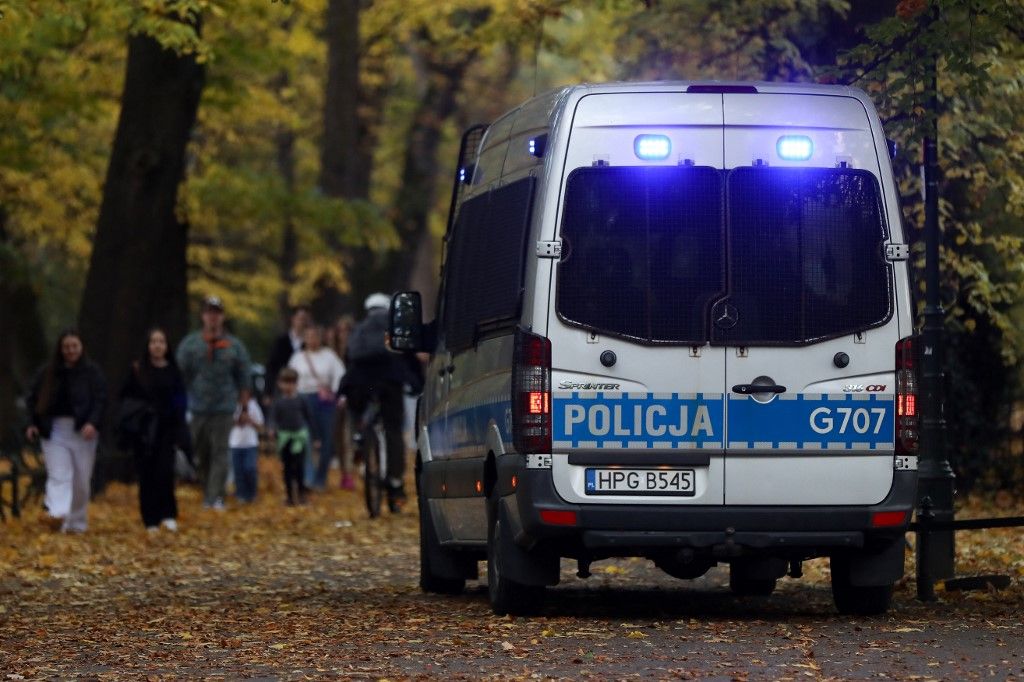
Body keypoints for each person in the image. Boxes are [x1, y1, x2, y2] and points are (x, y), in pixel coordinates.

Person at [339, 293, 420, 511]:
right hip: (389, 383)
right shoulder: (393, 328)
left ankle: (360, 437)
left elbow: (349, 358)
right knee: (393, 429)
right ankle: (395, 481)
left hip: (361, 385)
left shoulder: (359, 329)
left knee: (358, 413)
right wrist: (416, 382)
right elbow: (408, 356)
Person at [24, 329, 107, 533]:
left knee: (81, 480)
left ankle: (76, 522)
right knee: (59, 474)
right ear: (60, 349)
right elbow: (32, 399)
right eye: (66, 347)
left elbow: (101, 400)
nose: (70, 350)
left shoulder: (92, 372)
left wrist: (93, 423)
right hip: (54, 431)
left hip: (83, 432)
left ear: (81, 347)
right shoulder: (47, 373)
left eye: (74, 346)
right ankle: (57, 512)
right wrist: (32, 423)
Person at [176, 295, 252, 510]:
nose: (213, 317)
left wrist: (243, 408)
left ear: (223, 316)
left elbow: (244, 378)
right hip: (197, 408)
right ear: (203, 316)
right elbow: (179, 376)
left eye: (217, 313)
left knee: (220, 452)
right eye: (209, 312)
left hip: (224, 409)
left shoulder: (235, 346)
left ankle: (215, 497)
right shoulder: (190, 345)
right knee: (201, 454)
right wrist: (179, 405)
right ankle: (208, 489)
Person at [118, 328, 189, 532]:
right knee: (146, 474)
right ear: (147, 346)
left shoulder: (173, 372)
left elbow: (180, 401)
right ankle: (150, 518)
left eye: (161, 342)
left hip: (166, 430)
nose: (157, 345)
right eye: (153, 342)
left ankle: (168, 513)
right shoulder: (137, 370)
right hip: (143, 431)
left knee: (165, 472)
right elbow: (125, 397)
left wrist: (178, 426)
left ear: (167, 346)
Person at [288, 325, 344, 490]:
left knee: (326, 439)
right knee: (305, 437)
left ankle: (320, 478)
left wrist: (338, 395)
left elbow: (339, 376)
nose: (312, 339)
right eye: (309, 336)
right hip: (303, 398)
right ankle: (308, 477)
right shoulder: (297, 358)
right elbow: (290, 377)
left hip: (323, 400)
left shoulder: (329, 356)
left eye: (315, 336)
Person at [267, 367, 317, 505]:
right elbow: (273, 417)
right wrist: (271, 429)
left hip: (299, 437)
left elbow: (309, 417)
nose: (288, 386)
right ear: (280, 383)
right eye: (286, 382)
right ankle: (290, 496)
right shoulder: (278, 401)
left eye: (291, 382)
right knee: (287, 468)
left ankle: (301, 494)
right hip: (284, 438)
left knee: (299, 467)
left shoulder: (302, 399)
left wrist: (315, 437)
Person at [328, 315, 356, 489]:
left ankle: (348, 473)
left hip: (350, 398)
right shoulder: (332, 352)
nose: (344, 334)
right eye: (341, 330)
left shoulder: (356, 350)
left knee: (347, 437)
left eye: (347, 330)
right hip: (333, 398)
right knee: (337, 438)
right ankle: (343, 471)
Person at [265, 305, 311, 401]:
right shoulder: (281, 341)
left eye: (304, 319)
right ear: (293, 319)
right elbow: (271, 367)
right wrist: (268, 391)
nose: (302, 322)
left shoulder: (309, 344)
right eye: (300, 319)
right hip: (281, 387)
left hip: (303, 388)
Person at [229, 394, 264, 504]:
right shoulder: (232, 405)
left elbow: (260, 426)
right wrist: (239, 419)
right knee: (238, 470)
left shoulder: (254, 405)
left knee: (250, 468)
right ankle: (241, 494)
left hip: (250, 443)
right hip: (235, 443)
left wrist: (250, 420)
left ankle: (252, 493)